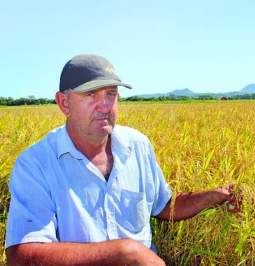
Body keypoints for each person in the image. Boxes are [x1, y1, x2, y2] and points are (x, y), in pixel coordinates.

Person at [5, 54, 241, 265]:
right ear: (64, 103)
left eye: (111, 94)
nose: (105, 106)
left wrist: (212, 197)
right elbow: (22, 255)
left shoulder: (137, 146)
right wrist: (124, 252)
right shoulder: (35, 164)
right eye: (90, 94)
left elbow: (164, 206)